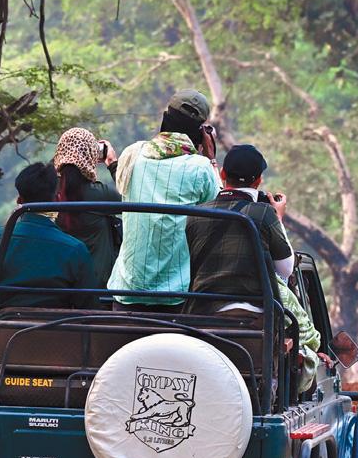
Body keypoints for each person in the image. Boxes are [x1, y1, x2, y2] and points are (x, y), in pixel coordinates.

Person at [108, 89, 220, 310]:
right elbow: (221, 209)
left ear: (165, 119)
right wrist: (211, 158)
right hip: (176, 295)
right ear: (201, 132)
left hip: (126, 290)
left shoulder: (132, 154)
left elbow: (123, 186)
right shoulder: (201, 168)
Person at [0, 162, 97, 320]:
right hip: (58, 334)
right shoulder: (75, 249)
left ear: (19, 200)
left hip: (2, 333)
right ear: (57, 199)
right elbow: (89, 309)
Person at [184, 143, 293, 315]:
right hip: (252, 314)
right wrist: (278, 218)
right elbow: (286, 269)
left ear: (223, 174)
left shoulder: (195, 214)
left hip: (201, 312)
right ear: (258, 180)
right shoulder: (264, 213)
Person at [52, 127, 122, 303]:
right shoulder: (101, 194)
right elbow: (132, 196)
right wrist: (112, 163)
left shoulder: (48, 191)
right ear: (91, 156)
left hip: (58, 287)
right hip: (98, 290)